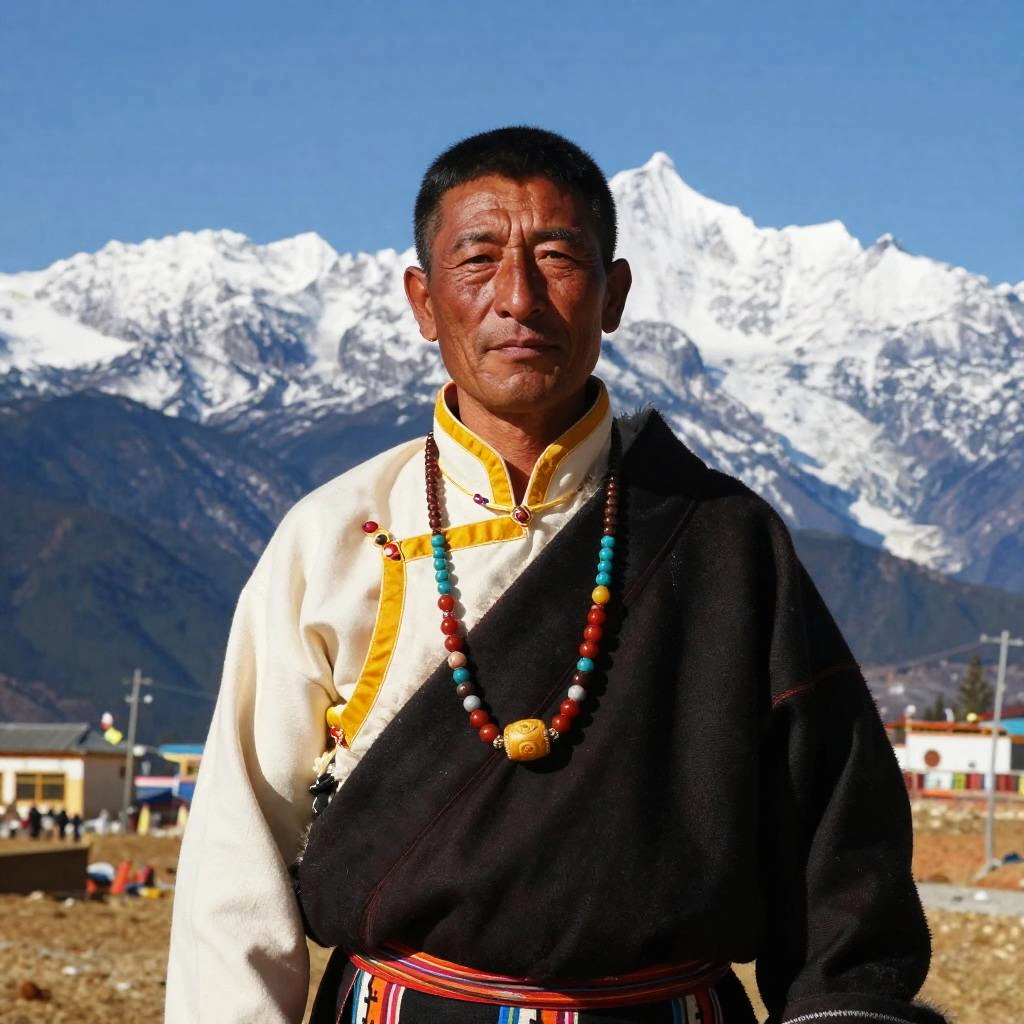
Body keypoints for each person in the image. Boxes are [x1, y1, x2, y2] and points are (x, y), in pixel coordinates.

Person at [166, 127, 944, 1024]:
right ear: (424, 302)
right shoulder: (334, 537)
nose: (518, 299)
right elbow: (242, 846)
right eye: (479, 260)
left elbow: (837, 841)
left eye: (557, 259)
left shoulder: (724, 539)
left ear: (612, 296)